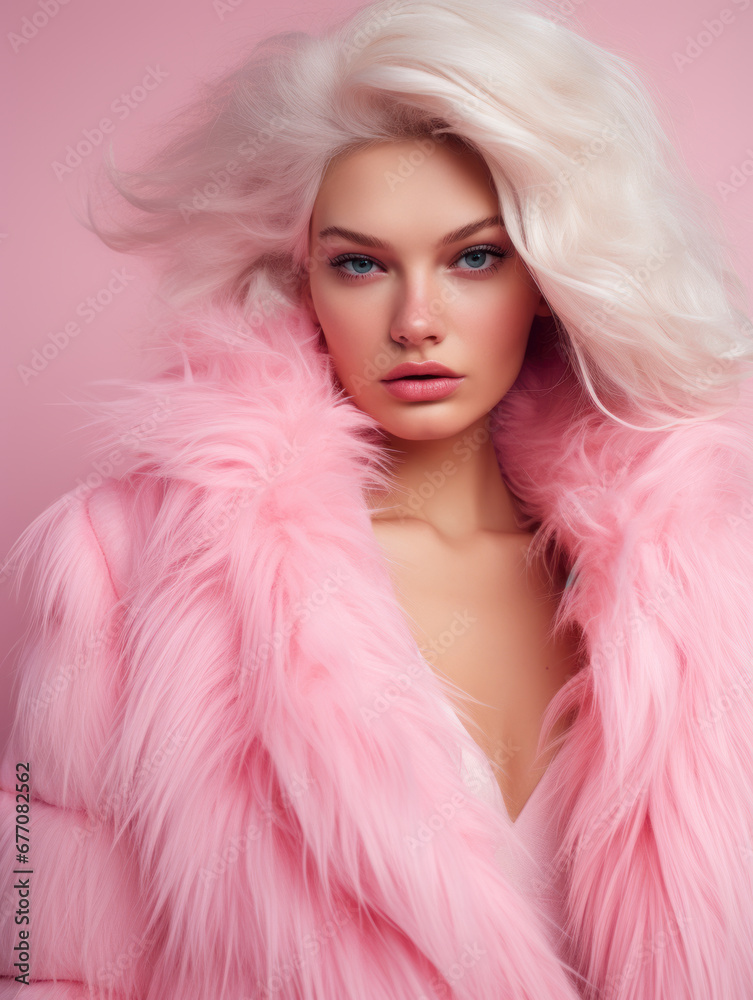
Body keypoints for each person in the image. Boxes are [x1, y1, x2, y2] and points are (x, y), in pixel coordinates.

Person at [2, 0, 753, 996]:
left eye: (474, 257)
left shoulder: (712, 577)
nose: (416, 320)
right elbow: (42, 958)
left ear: (547, 274)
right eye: (361, 264)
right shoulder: (122, 565)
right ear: (299, 277)